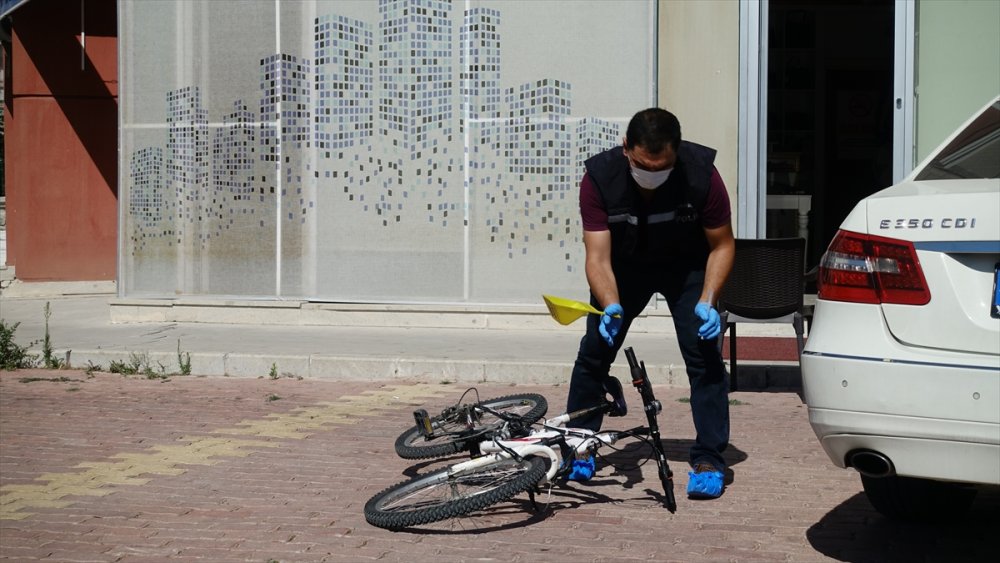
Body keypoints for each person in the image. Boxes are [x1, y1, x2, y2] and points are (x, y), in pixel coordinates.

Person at [565, 107, 735, 499]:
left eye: (663, 167)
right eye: (643, 165)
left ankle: (709, 458)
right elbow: (597, 257)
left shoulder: (702, 174)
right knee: (594, 352)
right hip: (625, 269)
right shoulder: (599, 179)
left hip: (686, 269)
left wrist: (709, 299)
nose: (652, 175)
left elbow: (723, 245)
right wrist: (609, 304)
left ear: (677, 152)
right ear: (626, 149)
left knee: (704, 354)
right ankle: (580, 445)